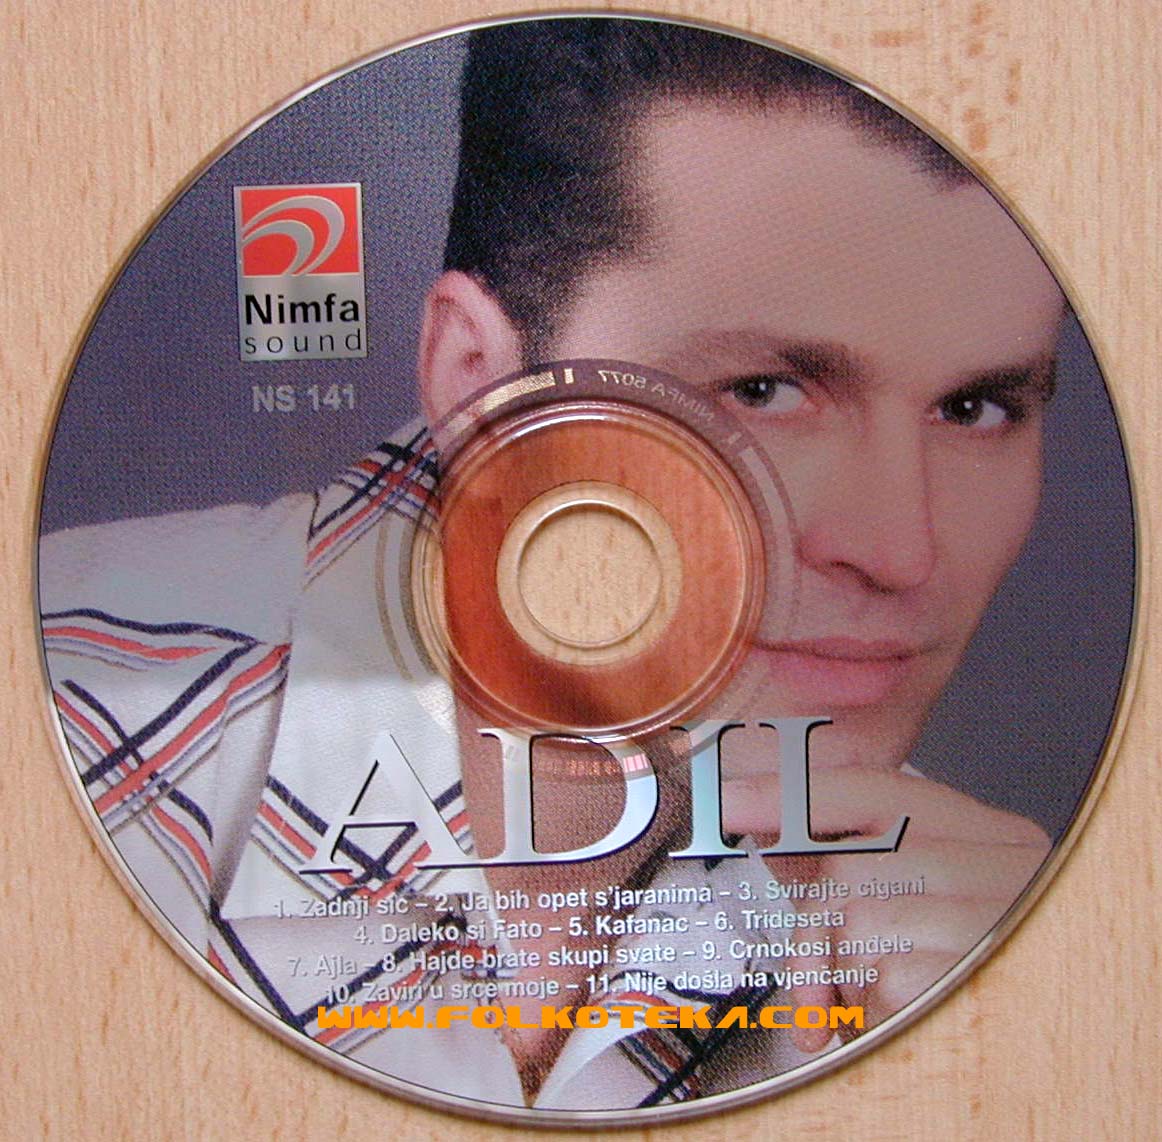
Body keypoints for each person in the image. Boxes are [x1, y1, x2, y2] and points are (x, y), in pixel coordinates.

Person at [40, 18, 1057, 1112]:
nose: (901, 551)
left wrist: (979, 1078)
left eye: (974, 408)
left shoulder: (959, 937)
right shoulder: (60, 719)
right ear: (481, 382)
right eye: (764, 391)